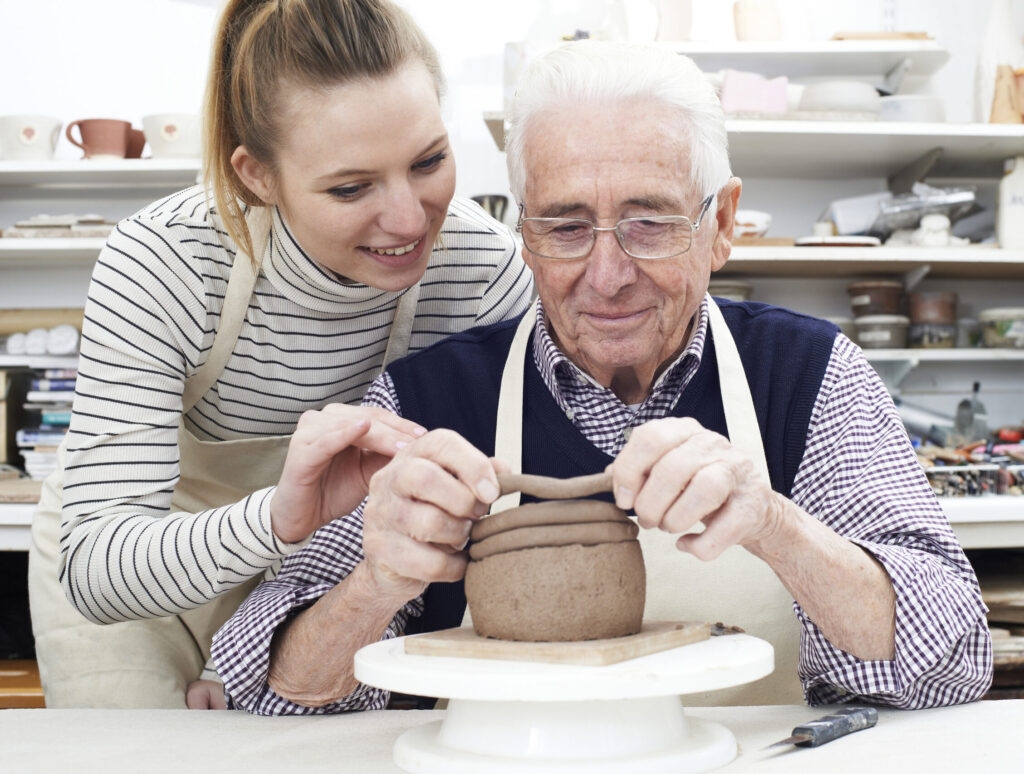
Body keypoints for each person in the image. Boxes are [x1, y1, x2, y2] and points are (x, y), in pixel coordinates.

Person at [213, 40, 992, 714]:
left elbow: (954, 661)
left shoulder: (810, 376)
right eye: (566, 225)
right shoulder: (427, 401)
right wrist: (376, 583)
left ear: (721, 224)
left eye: (649, 222)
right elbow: (269, 688)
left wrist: (773, 524)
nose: (608, 274)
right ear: (524, 235)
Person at [27, 0, 533, 710]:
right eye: (350, 187)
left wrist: (266, 644)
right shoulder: (165, 262)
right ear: (257, 175)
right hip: (141, 587)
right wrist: (277, 519)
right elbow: (97, 568)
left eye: (428, 162)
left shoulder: (483, 272)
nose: (408, 218)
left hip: (326, 586)